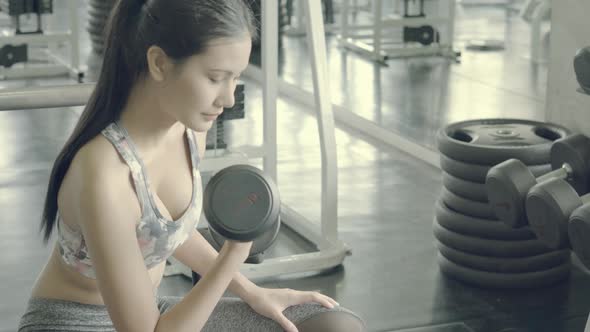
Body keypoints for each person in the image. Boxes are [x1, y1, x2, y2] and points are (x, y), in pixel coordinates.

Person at [17, 0, 366, 331]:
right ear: (159, 63)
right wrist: (233, 253)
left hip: (153, 317)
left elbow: (169, 234)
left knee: (332, 325)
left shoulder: (188, 130)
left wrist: (252, 292)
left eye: (236, 77)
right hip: (76, 323)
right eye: (215, 77)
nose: (228, 99)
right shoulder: (104, 177)